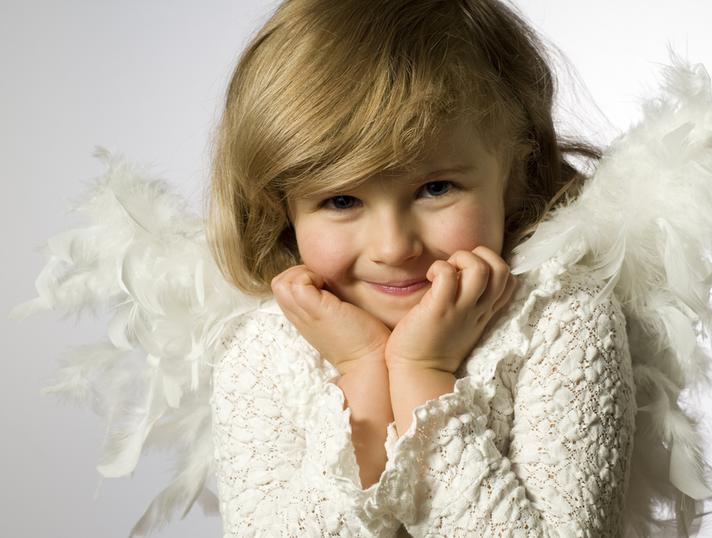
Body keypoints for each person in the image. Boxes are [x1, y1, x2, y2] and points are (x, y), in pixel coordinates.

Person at [205, 0, 635, 536]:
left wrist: (421, 375)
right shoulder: (262, 349)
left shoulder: (561, 320)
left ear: (515, 175)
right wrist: (363, 372)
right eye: (341, 200)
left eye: (435, 188)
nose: (393, 248)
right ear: (280, 207)